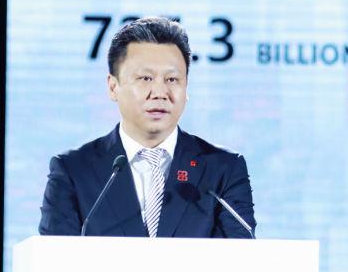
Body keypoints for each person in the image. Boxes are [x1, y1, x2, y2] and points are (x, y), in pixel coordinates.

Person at [38, 16, 256, 238]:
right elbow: (53, 256)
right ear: (113, 87)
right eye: (145, 78)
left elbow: (240, 256)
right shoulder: (73, 171)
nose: (160, 93)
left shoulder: (223, 170)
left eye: (172, 79)